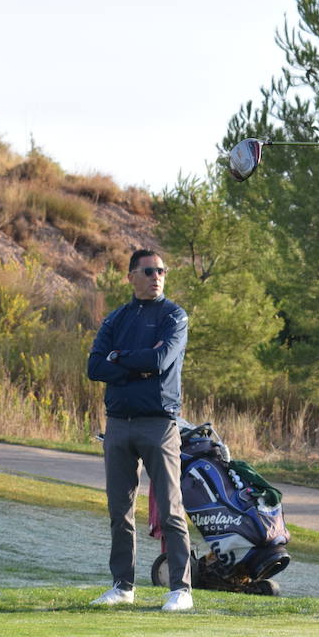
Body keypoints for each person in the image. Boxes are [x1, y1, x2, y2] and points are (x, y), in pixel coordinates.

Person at [86, 249, 193, 612]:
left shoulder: (174, 316)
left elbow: (160, 360)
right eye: (148, 271)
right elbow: (95, 366)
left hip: (159, 423)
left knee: (170, 508)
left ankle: (180, 588)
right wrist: (134, 363)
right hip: (118, 423)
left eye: (161, 270)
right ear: (131, 276)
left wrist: (120, 359)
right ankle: (122, 585)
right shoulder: (116, 319)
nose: (156, 276)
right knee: (120, 508)